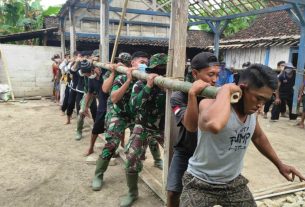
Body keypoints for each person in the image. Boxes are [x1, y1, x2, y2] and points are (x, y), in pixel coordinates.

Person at [180, 64, 305, 207]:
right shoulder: (209, 104)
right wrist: (225, 90)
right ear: (242, 88)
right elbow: (215, 125)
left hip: (233, 182)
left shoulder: (251, 112)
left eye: (265, 100)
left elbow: (258, 137)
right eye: (258, 98)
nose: (260, 105)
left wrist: (280, 165)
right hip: (200, 182)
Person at [166, 52, 219, 207]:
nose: (214, 80)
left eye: (217, 75)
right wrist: (192, 95)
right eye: (210, 75)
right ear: (195, 74)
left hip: (209, 153)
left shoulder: (217, 94)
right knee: (173, 192)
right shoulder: (178, 96)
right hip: (185, 150)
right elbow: (190, 126)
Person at [91, 51, 149, 191]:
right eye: (141, 62)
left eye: (147, 63)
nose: (144, 65)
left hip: (133, 113)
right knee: (112, 144)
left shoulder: (145, 77)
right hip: (118, 112)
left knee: (141, 143)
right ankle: (98, 175)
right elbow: (112, 97)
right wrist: (127, 79)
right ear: (133, 63)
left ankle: (134, 173)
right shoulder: (122, 75)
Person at [120, 53, 168, 207]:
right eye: (156, 69)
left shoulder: (173, 84)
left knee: (177, 158)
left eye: (163, 69)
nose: (159, 72)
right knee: (132, 157)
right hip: (143, 125)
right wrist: (148, 86)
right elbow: (135, 106)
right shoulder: (140, 84)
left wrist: (167, 90)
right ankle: (132, 192)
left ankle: (175, 191)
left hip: (163, 128)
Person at [84, 52, 132, 156]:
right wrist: (114, 72)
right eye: (118, 60)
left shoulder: (129, 72)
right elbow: (105, 89)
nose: (119, 63)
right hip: (105, 103)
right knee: (97, 126)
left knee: (121, 127)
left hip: (121, 104)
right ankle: (91, 147)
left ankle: (121, 146)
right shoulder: (109, 70)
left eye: (122, 61)